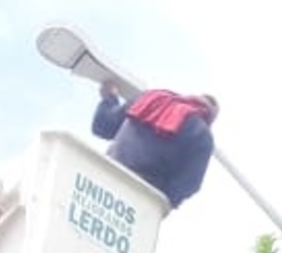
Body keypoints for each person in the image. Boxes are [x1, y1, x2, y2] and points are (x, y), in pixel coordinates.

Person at [90, 81, 218, 207]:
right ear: (210, 118)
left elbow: (103, 126)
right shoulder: (202, 135)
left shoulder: (151, 98)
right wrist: (160, 205)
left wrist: (110, 97)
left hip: (103, 178)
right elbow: (189, 184)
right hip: (139, 199)